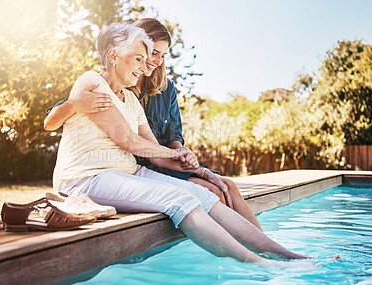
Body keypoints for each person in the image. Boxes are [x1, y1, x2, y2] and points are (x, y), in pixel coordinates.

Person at [52, 22, 313, 265]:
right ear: (113, 56)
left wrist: (189, 163)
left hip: (126, 173)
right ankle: (261, 265)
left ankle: (285, 255)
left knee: (201, 194)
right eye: (139, 59)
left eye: (148, 59)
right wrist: (172, 154)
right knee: (178, 198)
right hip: (86, 179)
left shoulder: (130, 100)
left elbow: (154, 151)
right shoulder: (92, 82)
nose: (145, 68)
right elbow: (131, 142)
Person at [45, 18, 263, 232]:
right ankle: (223, 252)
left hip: (163, 162)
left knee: (228, 187)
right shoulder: (108, 80)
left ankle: (261, 245)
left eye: (161, 55)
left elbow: (173, 135)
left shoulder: (165, 89)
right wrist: (73, 103)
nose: (155, 60)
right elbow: (56, 117)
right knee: (212, 193)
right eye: (151, 53)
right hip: (139, 166)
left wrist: (188, 160)